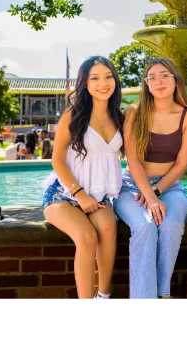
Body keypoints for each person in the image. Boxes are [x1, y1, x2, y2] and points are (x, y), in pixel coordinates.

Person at [112, 58, 187, 301]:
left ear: (175, 80)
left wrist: (157, 192)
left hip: (170, 187)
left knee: (170, 225)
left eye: (165, 75)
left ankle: (161, 295)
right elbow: (132, 160)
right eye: (153, 77)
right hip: (132, 186)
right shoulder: (134, 113)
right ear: (146, 84)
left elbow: (182, 163)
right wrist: (149, 196)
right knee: (146, 226)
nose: (159, 81)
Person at [40, 56, 124, 300]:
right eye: (94, 78)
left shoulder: (119, 116)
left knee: (108, 228)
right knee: (87, 237)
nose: (103, 83)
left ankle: (103, 297)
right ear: (85, 84)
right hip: (64, 194)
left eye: (108, 76)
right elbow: (57, 159)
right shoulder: (74, 113)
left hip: (98, 195)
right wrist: (80, 194)